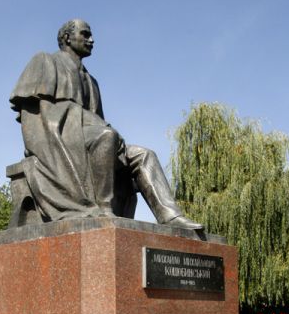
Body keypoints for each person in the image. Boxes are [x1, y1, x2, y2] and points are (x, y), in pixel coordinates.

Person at [10, 19, 204, 231]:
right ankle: (104, 208)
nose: (91, 40)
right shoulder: (46, 60)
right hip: (61, 137)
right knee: (106, 137)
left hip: (88, 138)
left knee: (144, 154)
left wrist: (105, 131)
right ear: (67, 38)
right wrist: (101, 128)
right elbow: (37, 115)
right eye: (85, 34)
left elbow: (97, 123)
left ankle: (170, 217)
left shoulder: (92, 82)